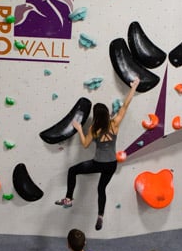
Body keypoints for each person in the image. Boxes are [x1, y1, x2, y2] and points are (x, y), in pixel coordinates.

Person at [56, 78, 139, 231]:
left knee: (72, 171)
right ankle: (100, 215)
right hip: (111, 164)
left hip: (98, 163)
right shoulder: (115, 124)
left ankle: (68, 198)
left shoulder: (94, 129)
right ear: (107, 113)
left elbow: (85, 144)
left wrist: (80, 129)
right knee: (101, 189)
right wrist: (134, 87)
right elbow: (126, 105)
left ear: (95, 116)